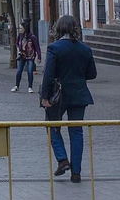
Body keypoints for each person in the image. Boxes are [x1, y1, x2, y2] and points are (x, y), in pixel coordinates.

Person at [39, 14, 97, 184]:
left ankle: (62, 160)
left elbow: (48, 75)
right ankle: (76, 173)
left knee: (51, 126)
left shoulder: (54, 48)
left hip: (58, 97)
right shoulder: (85, 49)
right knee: (76, 132)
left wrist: (44, 97)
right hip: (79, 94)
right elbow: (92, 74)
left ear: (58, 28)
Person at [13, 24, 40, 94]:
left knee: (30, 71)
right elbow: (17, 43)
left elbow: (37, 47)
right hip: (22, 55)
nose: (20, 30)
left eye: (21, 28)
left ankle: (30, 87)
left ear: (25, 29)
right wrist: (18, 49)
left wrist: (39, 57)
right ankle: (16, 85)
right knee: (19, 71)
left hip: (30, 56)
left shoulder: (32, 37)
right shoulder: (20, 35)